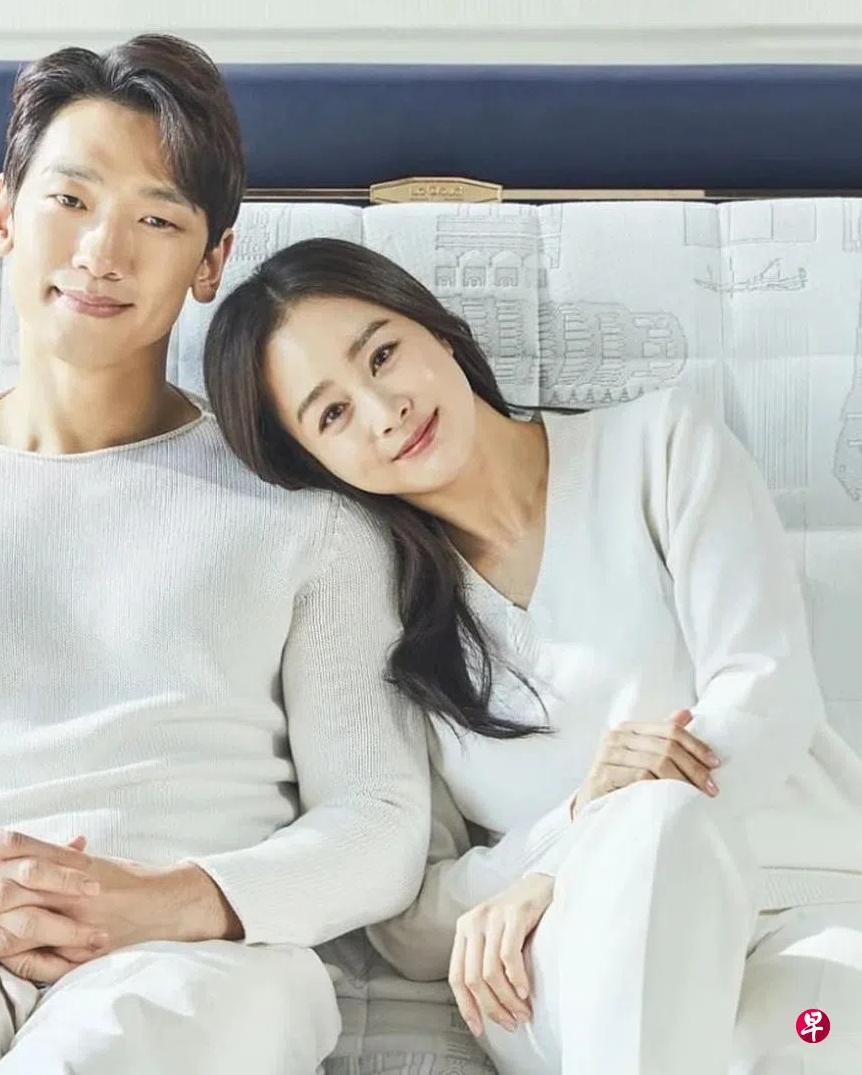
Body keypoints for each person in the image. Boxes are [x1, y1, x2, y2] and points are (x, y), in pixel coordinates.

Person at [0, 42, 432, 1075]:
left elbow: (380, 820)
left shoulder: (308, 514)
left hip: (192, 957)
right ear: (1, 214)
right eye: (70, 200)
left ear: (211, 263)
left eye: (157, 220)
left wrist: (177, 899)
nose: (103, 253)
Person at [202, 236, 862, 1075]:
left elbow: (766, 695)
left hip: (798, 913)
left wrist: (573, 858)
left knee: (797, 1041)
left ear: (439, 331)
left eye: (383, 354)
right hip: (564, 960)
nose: (383, 409)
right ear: (314, 463)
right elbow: (410, 919)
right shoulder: (377, 615)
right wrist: (581, 840)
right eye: (331, 415)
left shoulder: (661, 447)